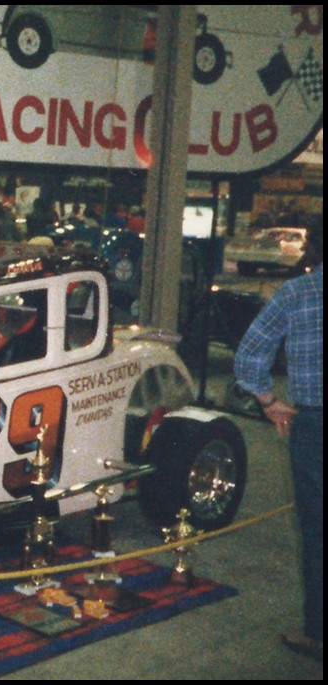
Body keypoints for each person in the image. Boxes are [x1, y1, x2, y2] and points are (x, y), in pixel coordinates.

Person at [233, 217, 323, 662]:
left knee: (318, 533)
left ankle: (318, 634)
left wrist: (269, 401)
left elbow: (249, 355)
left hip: (315, 428)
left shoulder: (296, 294)